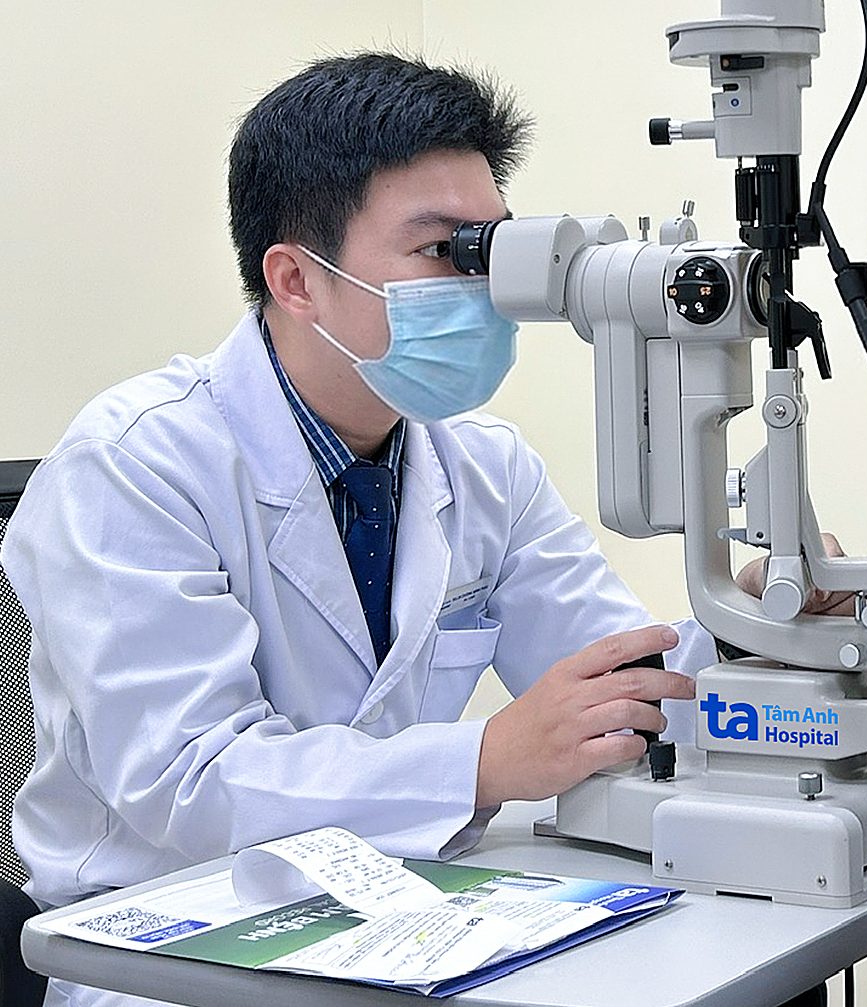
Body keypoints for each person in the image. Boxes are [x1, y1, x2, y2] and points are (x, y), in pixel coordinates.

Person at [0, 53, 720, 1007]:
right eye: (444, 251)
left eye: (492, 248)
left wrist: (752, 632)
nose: (485, 286)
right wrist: (485, 760)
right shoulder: (131, 467)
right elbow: (195, 782)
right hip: (171, 941)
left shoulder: (484, 463)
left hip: (398, 914)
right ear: (297, 279)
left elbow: (615, 685)